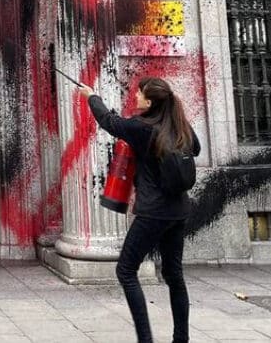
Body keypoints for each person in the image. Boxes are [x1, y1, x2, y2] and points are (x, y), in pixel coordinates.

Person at [75, 77, 200, 343]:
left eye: (139, 94)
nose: (135, 97)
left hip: (153, 212)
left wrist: (90, 97)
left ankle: (145, 339)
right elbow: (196, 148)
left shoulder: (142, 127)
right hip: (178, 210)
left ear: (150, 101)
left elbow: (110, 122)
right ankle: (181, 339)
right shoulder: (178, 124)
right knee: (174, 274)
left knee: (126, 270)